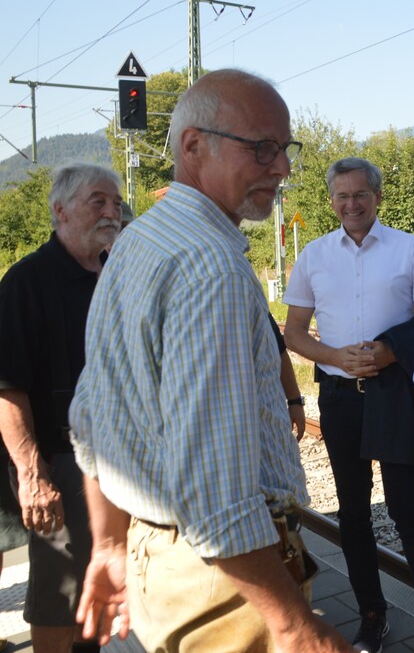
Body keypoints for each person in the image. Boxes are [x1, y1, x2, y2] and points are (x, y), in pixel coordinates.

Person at [68, 69, 350, 653]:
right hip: (220, 586)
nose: (283, 168)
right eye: (263, 148)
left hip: (160, 564)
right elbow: (217, 493)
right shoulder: (210, 267)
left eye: (285, 148)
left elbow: (91, 417)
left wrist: (110, 543)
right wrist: (294, 626)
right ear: (193, 145)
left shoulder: (138, 241)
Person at [283, 157, 414, 653]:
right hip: (340, 399)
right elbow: (294, 333)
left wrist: (389, 351)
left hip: (394, 395)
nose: (351, 204)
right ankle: (371, 616)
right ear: (331, 200)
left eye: (360, 194)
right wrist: (336, 356)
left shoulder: (408, 248)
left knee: (407, 509)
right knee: (354, 515)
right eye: (342, 195)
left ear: (377, 197)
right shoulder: (315, 256)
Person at [0, 163, 122, 653]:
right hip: (58, 462)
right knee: (61, 593)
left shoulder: (115, 273)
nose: (112, 211)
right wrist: (33, 475)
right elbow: (7, 387)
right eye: (99, 201)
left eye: (115, 203)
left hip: (114, 461)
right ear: (61, 210)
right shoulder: (26, 282)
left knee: (101, 586)